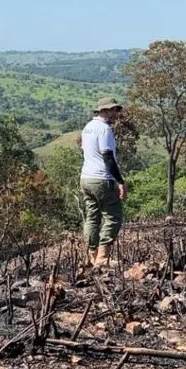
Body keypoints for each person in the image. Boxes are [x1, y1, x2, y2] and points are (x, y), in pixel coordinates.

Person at [80, 97, 128, 266]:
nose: (116, 113)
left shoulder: (87, 128)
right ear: (105, 111)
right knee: (113, 217)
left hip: (86, 178)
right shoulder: (104, 129)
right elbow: (107, 157)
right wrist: (120, 181)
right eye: (114, 110)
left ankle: (92, 255)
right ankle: (102, 257)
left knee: (92, 217)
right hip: (102, 179)